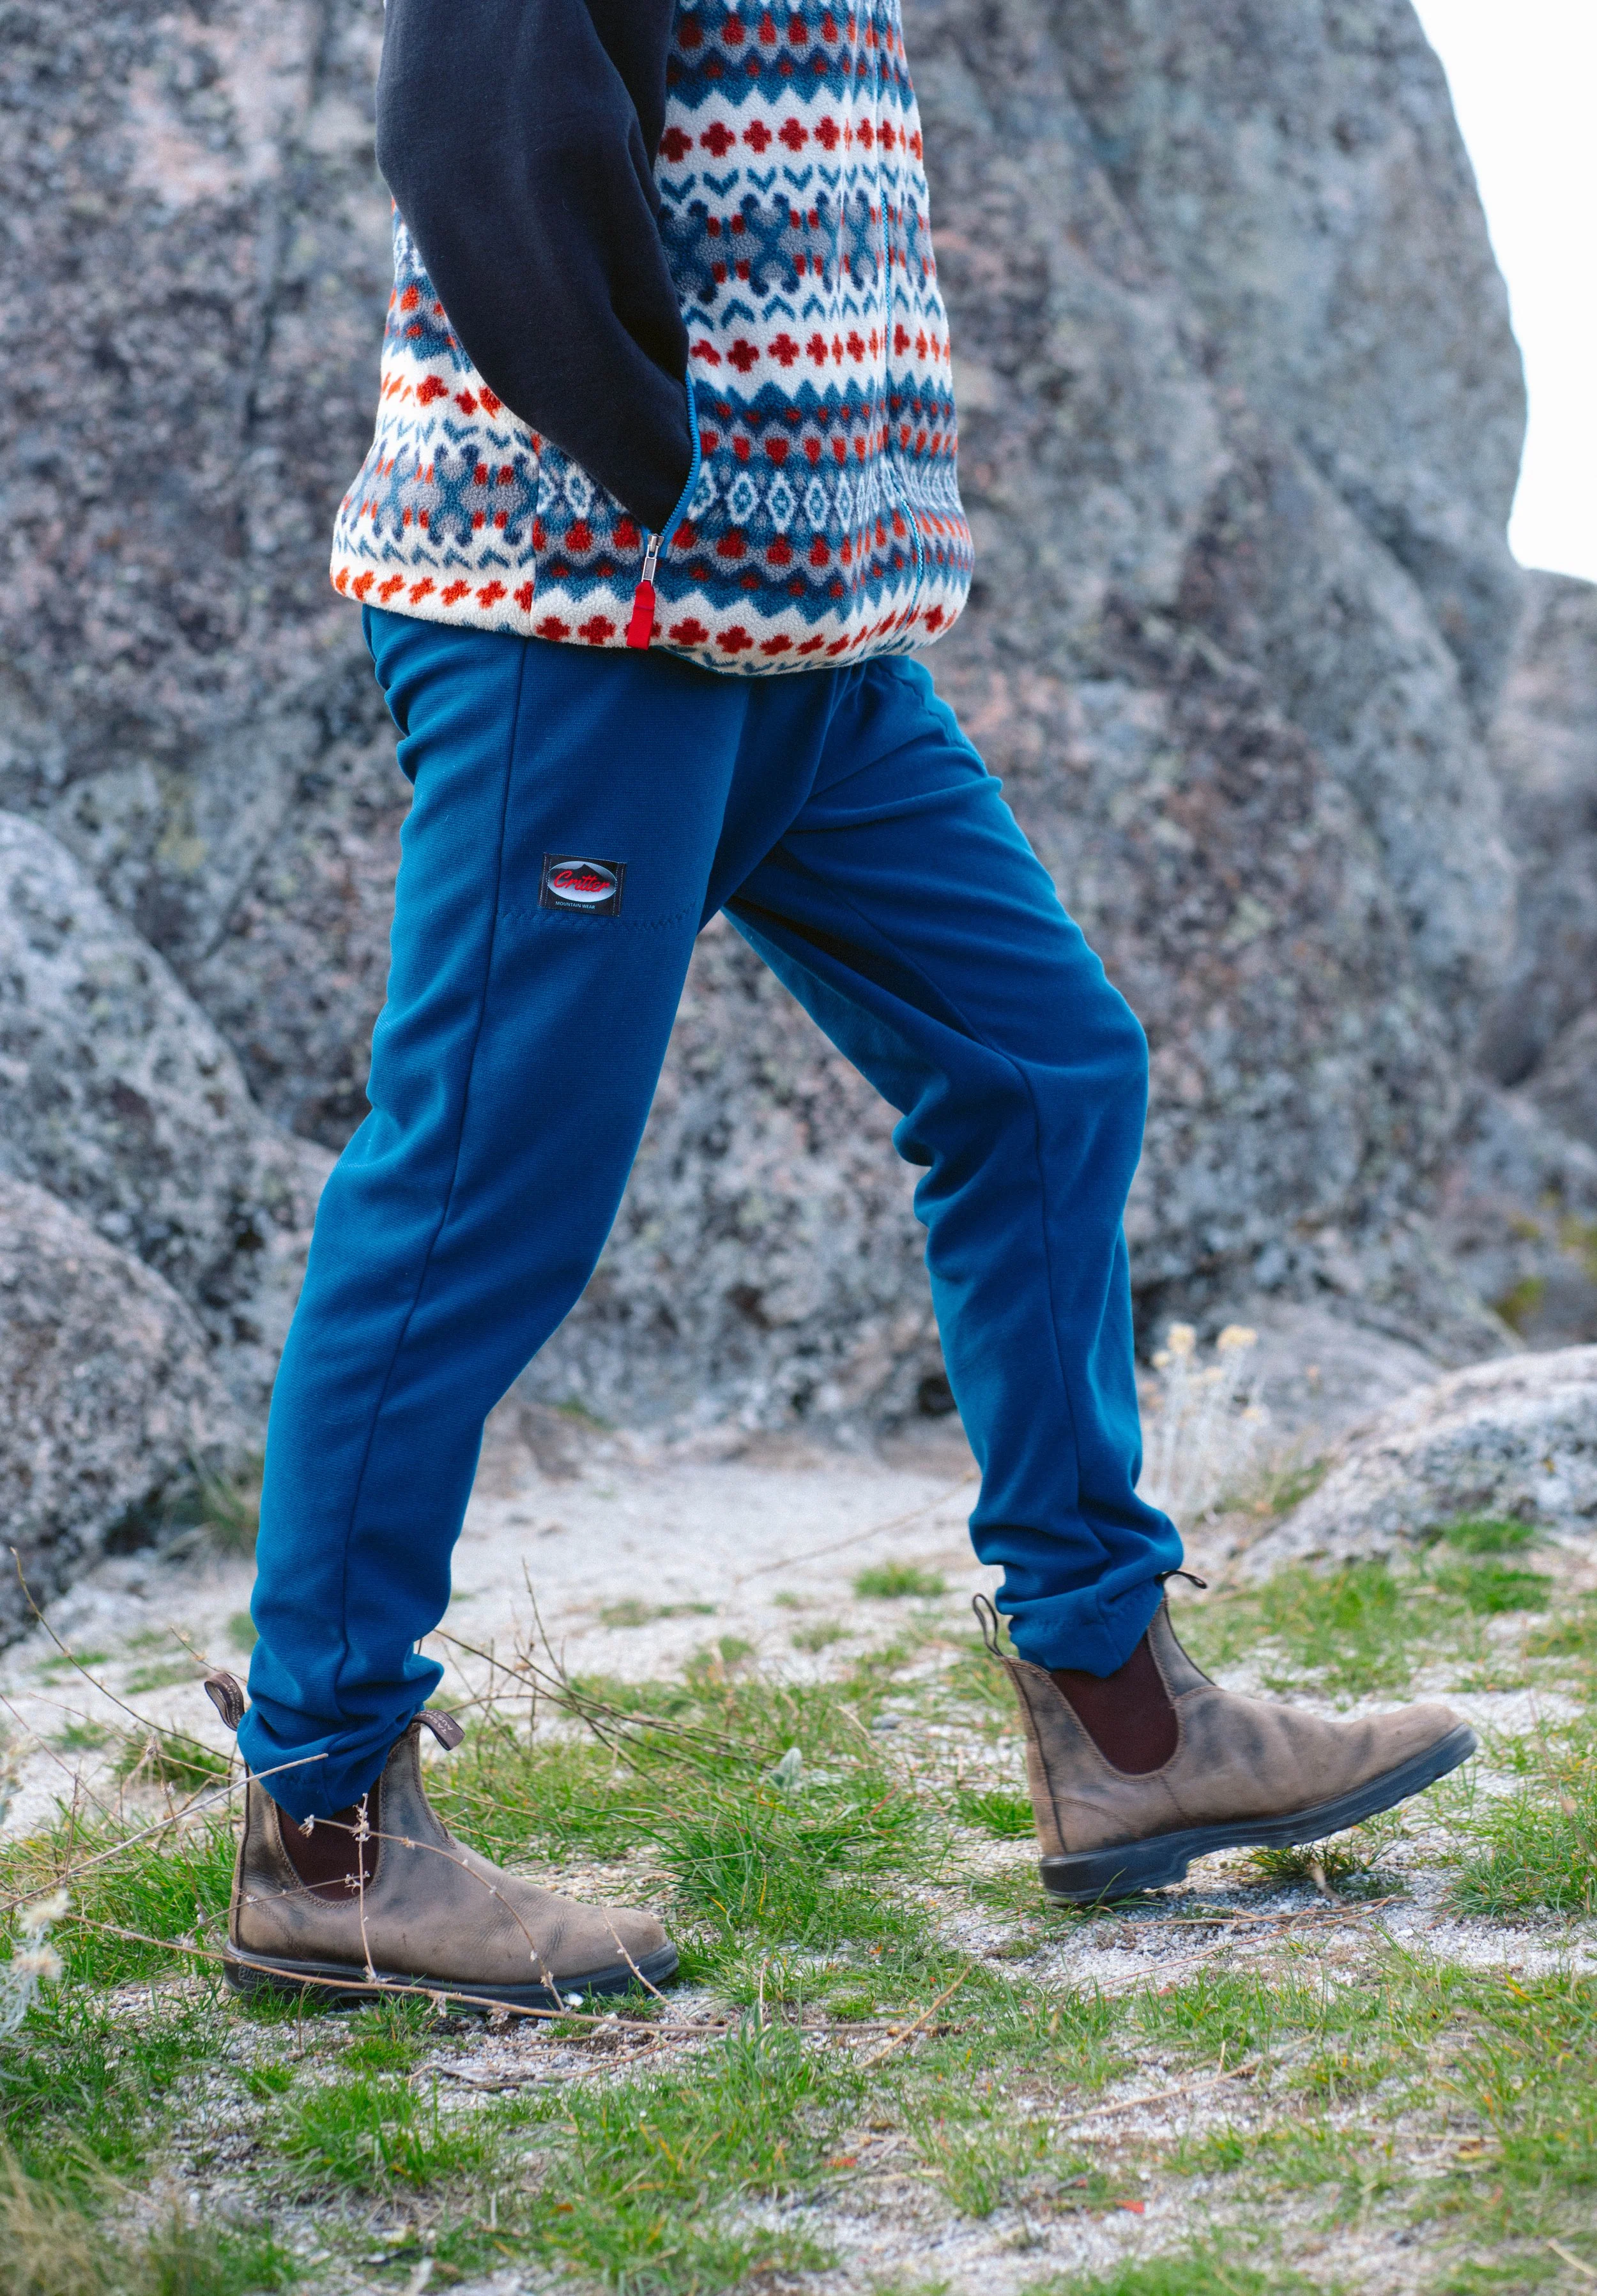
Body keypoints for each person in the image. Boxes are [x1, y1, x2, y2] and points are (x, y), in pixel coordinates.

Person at [208, 0, 1475, 2009]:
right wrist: (649, 451)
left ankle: (1121, 1718)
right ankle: (324, 1831)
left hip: (818, 640)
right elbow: (474, 100)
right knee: (472, 1202)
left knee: (1047, 1070)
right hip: (582, 611)